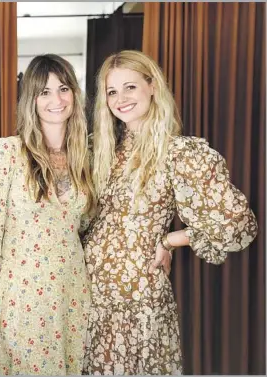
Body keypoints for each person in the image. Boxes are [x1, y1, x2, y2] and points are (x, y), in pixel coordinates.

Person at [83, 49, 258, 375]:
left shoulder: (179, 152)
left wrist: (170, 240)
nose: (121, 98)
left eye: (130, 87)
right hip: (89, 296)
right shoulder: (99, 149)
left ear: (152, 86)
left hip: (139, 297)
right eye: (112, 91)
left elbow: (239, 225)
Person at [0, 54, 96, 375]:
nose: (56, 100)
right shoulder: (7, 153)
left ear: (74, 92)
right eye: (44, 92)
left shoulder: (85, 158)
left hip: (74, 299)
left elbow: (86, 229)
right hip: (24, 302)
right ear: (31, 100)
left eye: (63, 88)